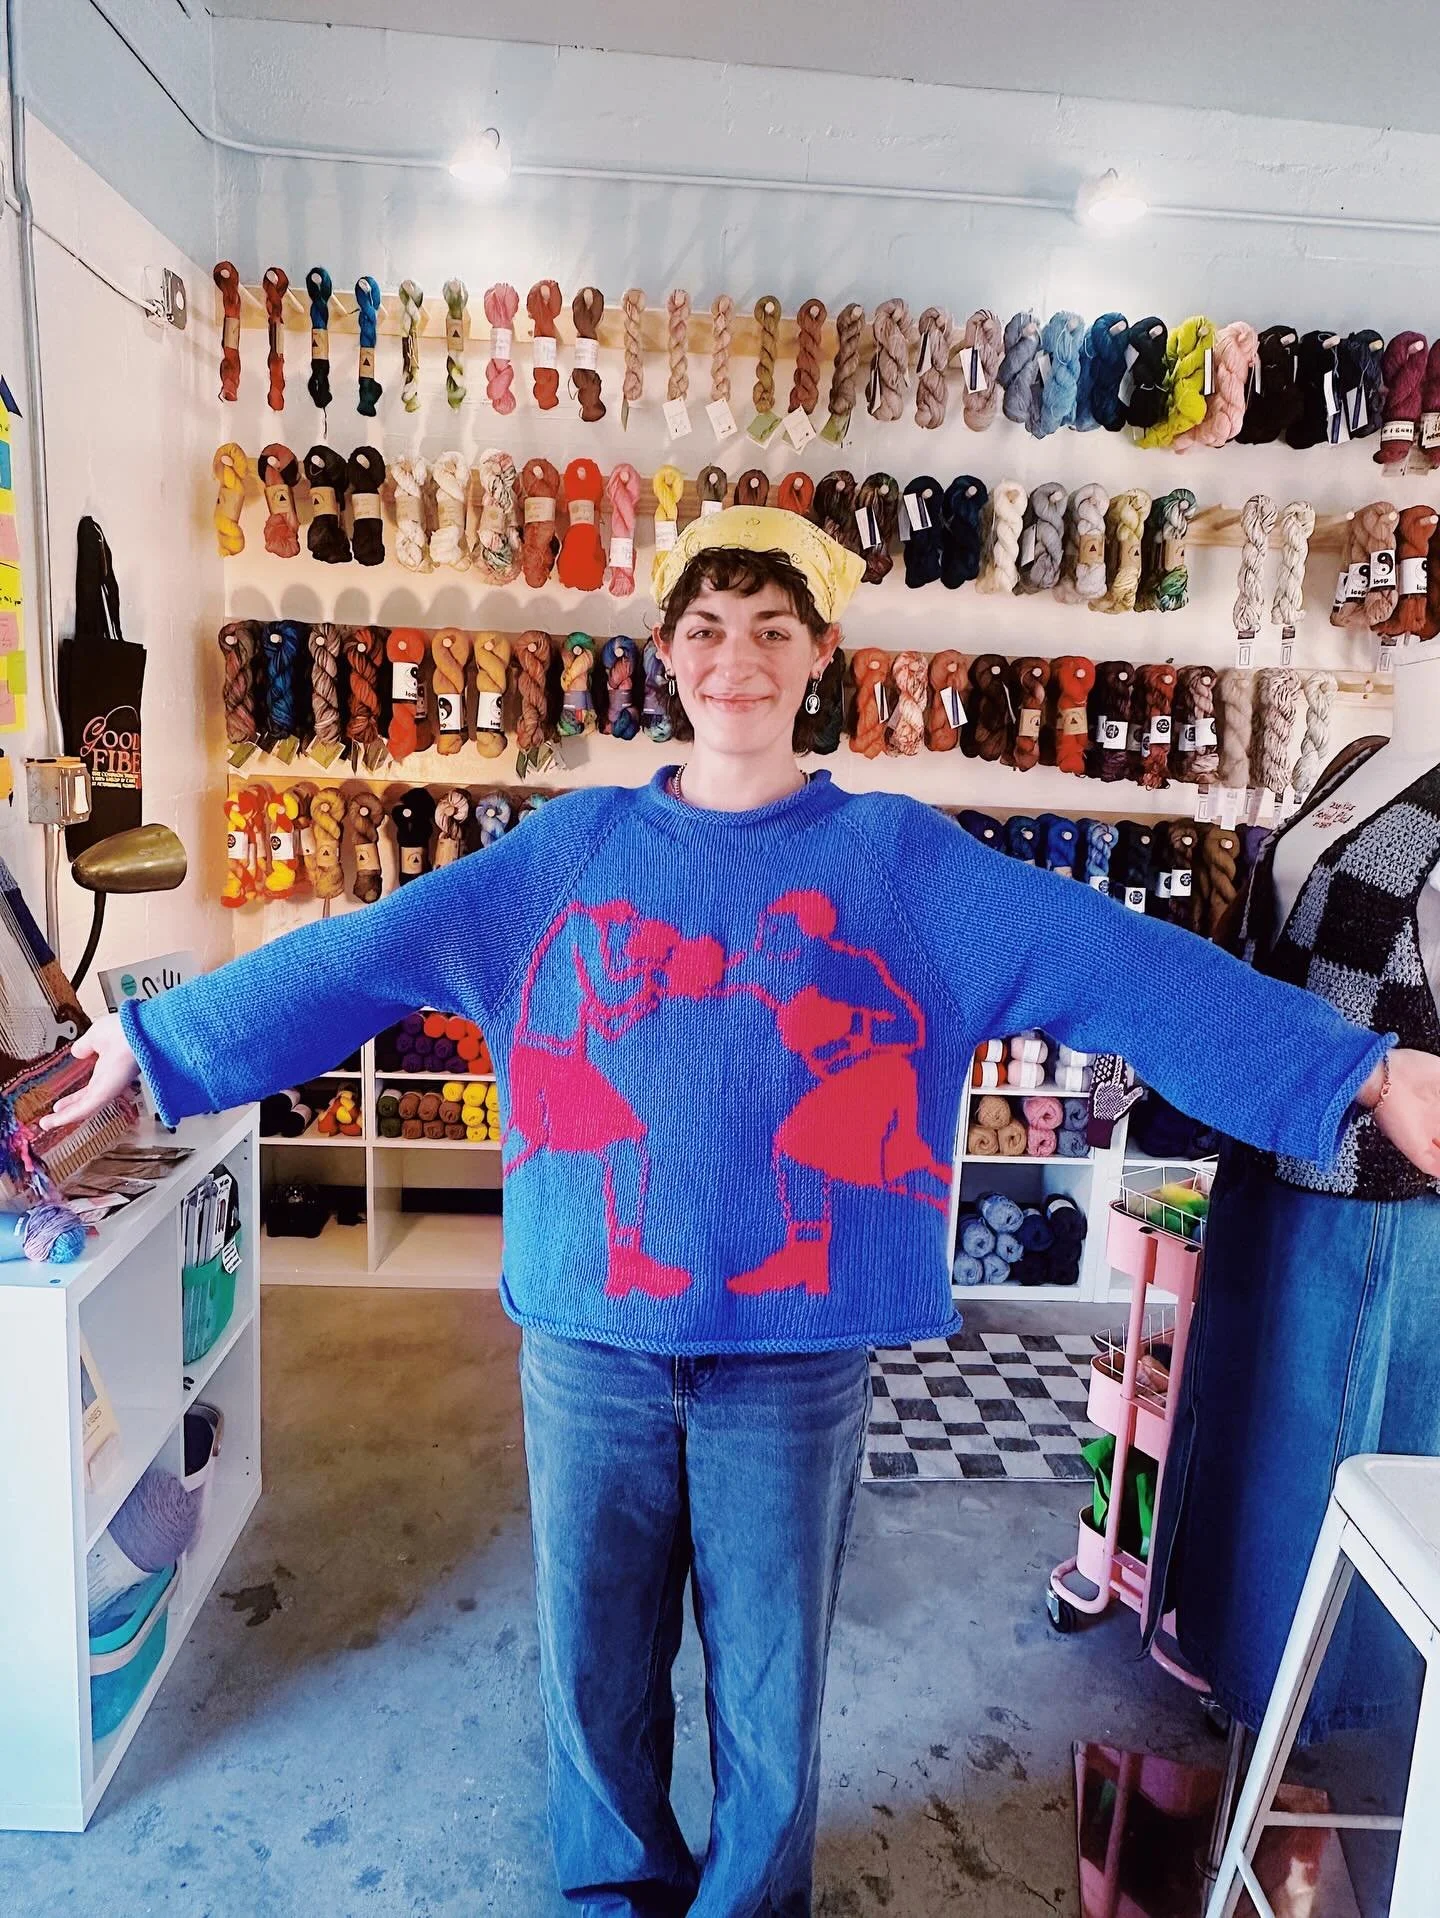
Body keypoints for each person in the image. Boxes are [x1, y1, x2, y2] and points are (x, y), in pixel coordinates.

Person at [50, 506, 1440, 1916]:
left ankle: (751, 1903)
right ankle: (615, 1891)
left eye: (774, 630)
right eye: (708, 629)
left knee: (773, 1681)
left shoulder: (905, 865)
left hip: (793, 1355)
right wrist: (153, 1045)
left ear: (822, 653)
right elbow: (362, 954)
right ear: (665, 654)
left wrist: (1362, 1069)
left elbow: (1125, 964)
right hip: (590, 1343)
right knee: (593, 1662)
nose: (738, 660)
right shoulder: (566, 852)